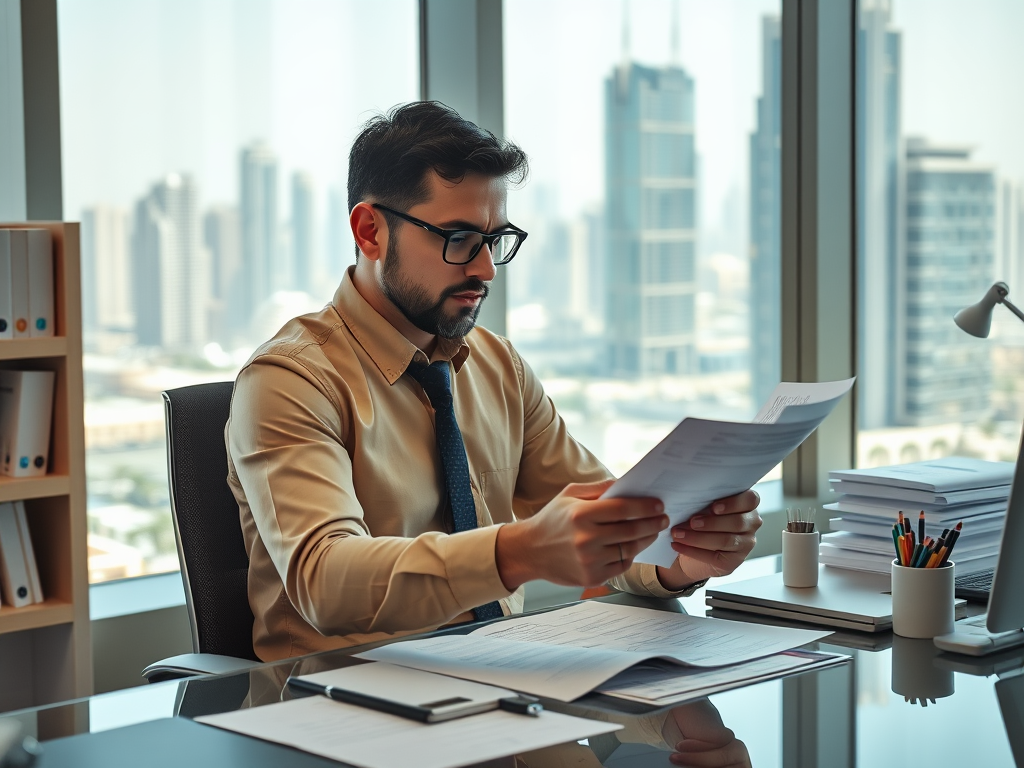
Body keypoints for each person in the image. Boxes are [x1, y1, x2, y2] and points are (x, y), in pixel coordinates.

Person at [226, 101, 762, 661]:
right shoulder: (289, 381)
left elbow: (604, 527)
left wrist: (682, 560)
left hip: (504, 684)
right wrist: (519, 553)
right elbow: (324, 582)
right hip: (340, 711)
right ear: (369, 231)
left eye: (494, 240)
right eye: (458, 239)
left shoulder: (497, 365)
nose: (484, 269)